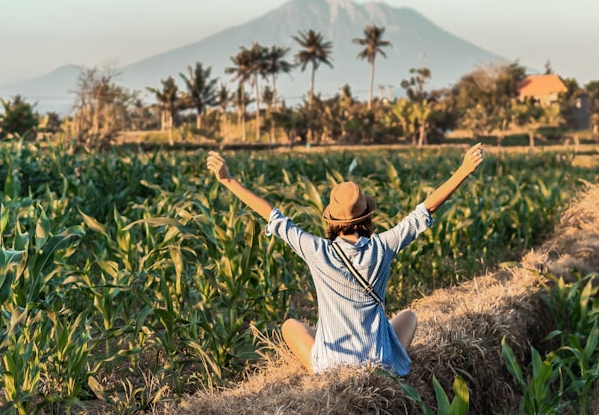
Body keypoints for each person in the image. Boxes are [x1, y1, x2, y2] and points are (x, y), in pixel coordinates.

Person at [205, 143, 486, 377]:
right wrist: (463, 170)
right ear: (366, 218)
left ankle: (329, 358)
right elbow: (426, 209)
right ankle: (383, 359)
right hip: (379, 365)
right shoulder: (383, 246)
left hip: (332, 365)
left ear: (331, 220)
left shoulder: (316, 249)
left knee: (291, 326)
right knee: (409, 316)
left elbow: (273, 216)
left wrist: (227, 179)